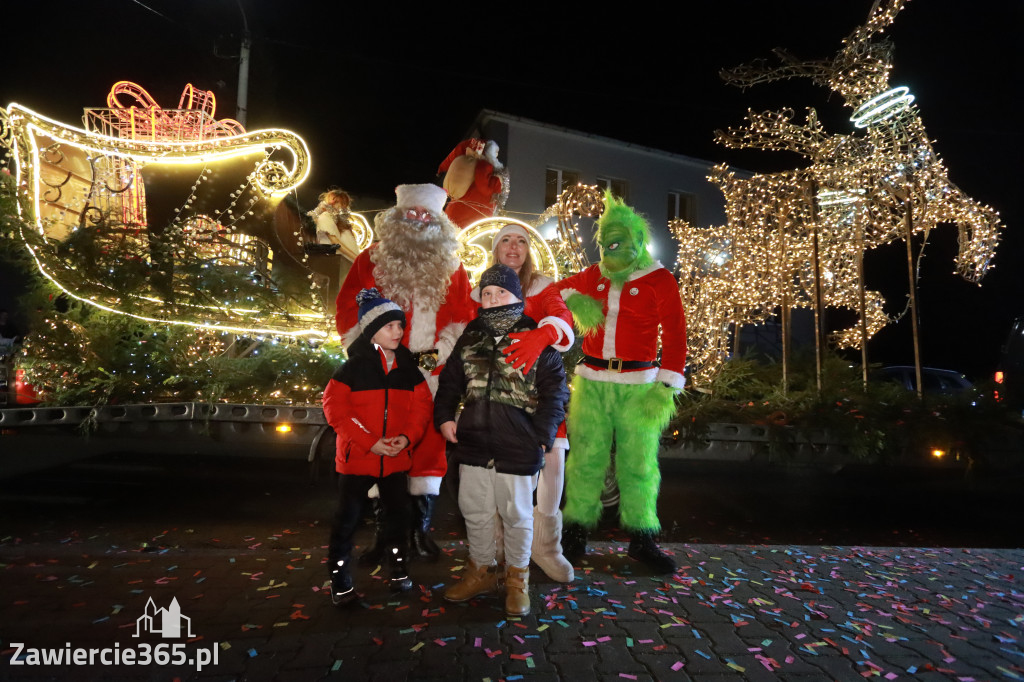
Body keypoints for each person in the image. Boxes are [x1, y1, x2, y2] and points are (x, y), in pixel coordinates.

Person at [335, 183, 475, 562]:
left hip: (432, 369)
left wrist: (439, 357)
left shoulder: (453, 265)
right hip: (383, 368)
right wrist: (365, 352)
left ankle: (419, 533)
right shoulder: (371, 259)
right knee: (384, 444)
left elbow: (464, 316)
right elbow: (349, 307)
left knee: (429, 447)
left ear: (438, 221)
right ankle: (387, 536)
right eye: (411, 213)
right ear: (397, 218)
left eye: (426, 215)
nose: (418, 220)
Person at [556, 193, 687, 574]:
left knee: (639, 463)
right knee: (585, 459)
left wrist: (667, 385)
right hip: (593, 381)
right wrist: (579, 306)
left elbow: (676, 334)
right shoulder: (594, 274)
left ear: (637, 239)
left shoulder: (659, 279)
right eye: (605, 242)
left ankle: (642, 537)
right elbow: (554, 292)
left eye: (618, 241)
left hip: (639, 384)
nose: (609, 249)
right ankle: (575, 531)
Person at [435, 263, 569, 617]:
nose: (493, 299)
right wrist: (445, 416)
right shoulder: (471, 336)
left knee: (517, 515)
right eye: (488, 293)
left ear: (517, 297)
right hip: (474, 441)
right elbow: (450, 381)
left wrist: (541, 437)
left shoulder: (536, 337)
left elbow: (555, 392)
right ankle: (481, 570)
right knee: (475, 511)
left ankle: (516, 579)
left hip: (519, 443)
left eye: (501, 292)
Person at [322, 288, 434, 606]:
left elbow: (422, 407)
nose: (398, 332)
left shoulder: (408, 369)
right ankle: (340, 580)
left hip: (396, 461)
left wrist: (407, 438)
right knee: (348, 521)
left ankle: (398, 569)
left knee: (399, 517)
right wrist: (371, 443)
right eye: (390, 326)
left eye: (400, 326)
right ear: (373, 330)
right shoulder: (352, 368)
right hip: (358, 460)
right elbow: (336, 411)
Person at [486, 224, 575, 583]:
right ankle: (499, 542)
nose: (514, 245)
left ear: (528, 250)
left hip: (541, 387)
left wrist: (543, 334)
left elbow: (562, 317)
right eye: (506, 239)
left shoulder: (542, 285)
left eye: (521, 240)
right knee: (498, 467)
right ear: (496, 248)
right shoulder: (484, 284)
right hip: (501, 391)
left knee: (552, 462)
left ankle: (546, 547)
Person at [308, 189, 360, 260]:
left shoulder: (338, 221)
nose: (343, 206)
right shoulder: (325, 216)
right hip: (333, 259)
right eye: (339, 202)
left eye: (344, 204)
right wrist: (356, 258)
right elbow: (335, 242)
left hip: (341, 259)